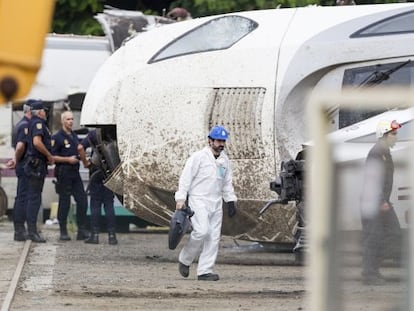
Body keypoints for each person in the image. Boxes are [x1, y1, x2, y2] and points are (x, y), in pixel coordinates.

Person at [175, 125, 237, 281]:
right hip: (199, 200)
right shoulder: (198, 157)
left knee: (214, 237)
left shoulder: (224, 160)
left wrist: (230, 201)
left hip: (216, 202)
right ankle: (185, 259)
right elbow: (185, 178)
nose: (221, 144)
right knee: (201, 231)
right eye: (218, 141)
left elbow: (227, 182)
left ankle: (205, 271)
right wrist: (181, 198)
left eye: (223, 141)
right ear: (210, 141)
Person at [360, 119, 402, 285]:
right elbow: (372, 179)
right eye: (393, 134)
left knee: (394, 234)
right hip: (373, 201)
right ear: (383, 135)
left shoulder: (385, 152)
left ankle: (373, 268)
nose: (396, 137)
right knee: (374, 237)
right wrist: (380, 201)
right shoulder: (376, 153)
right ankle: (369, 274)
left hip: (382, 201)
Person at [52, 111, 89, 241]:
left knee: (82, 200)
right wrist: (67, 160)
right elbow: (52, 157)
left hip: (74, 172)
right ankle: (63, 231)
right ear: (63, 121)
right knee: (64, 202)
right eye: (68, 119)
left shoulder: (74, 136)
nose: (71, 121)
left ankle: (81, 230)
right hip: (64, 172)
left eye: (72, 119)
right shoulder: (57, 137)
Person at [81, 129, 118, 245]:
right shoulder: (113, 133)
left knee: (95, 204)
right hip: (109, 172)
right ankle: (112, 236)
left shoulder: (93, 134)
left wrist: (86, 163)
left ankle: (95, 235)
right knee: (109, 205)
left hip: (95, 171)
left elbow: (79, 148)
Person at [25, 100, 54, 242]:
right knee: (34, 198)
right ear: (40, 111)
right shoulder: (38, 123)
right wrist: (48, 154)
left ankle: (32, 230)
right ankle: (32, 232)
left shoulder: (33, 122)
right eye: (44, 110)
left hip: (36, 165)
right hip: (36, 166)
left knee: (34, 198)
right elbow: (37, 142)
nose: (46, 112)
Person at [7, 100, 33, 241]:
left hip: (22, 165)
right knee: (23, 197)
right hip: (24, 166)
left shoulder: (20, 124)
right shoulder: (25, 126)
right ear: (30, 111)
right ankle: (19, 230)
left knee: (22, 197)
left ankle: (20, 229)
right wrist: (17, 160)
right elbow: (19, 147)